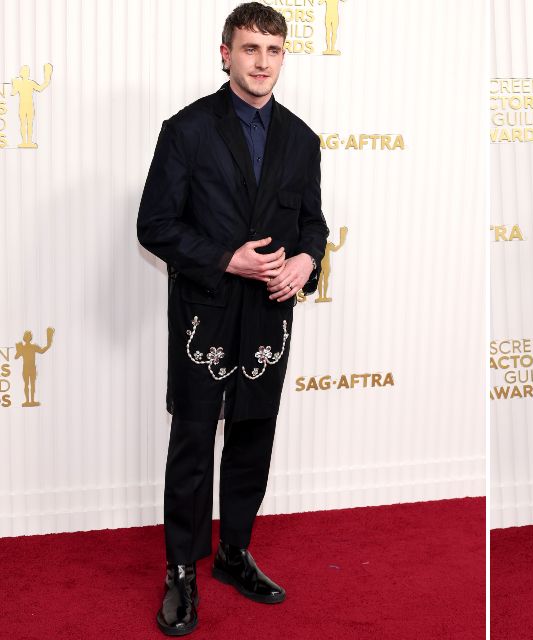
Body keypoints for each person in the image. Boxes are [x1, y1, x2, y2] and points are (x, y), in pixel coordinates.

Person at [136, 2, 329, 635]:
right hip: (206, 312)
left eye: (274, 51)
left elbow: (313, 224)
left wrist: (305, 261)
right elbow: (155, 225)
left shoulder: (301, 139)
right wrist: (227, 260)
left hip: (270, 314)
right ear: (227, 53)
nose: (262, 62)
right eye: (251, 49)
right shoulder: (186, 129)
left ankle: (234, 553)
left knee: (253, 437)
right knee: (193, 443)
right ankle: (181, 574)